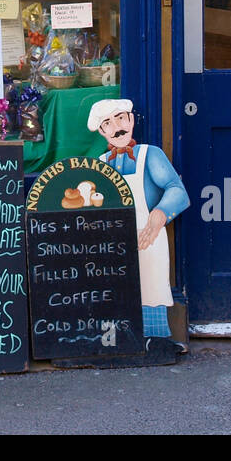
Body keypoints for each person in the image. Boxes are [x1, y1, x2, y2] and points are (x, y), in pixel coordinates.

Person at [87, 97, 190, 340]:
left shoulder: (150, 154)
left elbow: (177, 190)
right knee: (112, 288)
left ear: (131, 120)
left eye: (121, 118)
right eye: (108, 123)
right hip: (113, 241)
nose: (116, 127)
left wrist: (160, 213)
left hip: (148, 235)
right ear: (102, 132)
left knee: (151, 286)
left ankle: (154, 342)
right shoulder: (100, 164)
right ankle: (111, 342)